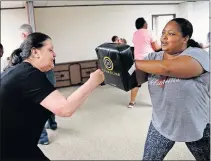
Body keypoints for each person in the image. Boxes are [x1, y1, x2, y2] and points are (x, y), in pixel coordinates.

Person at [0, 32, 104, 160]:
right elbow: (65, 109)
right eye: (50, 49)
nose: (54, 54)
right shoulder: (28, 74)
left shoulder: (19, 70)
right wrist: (93, 82)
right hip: (11, 148)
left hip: (17, 143)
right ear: (35, 52)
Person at [134, 18, 209, 160]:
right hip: (161, 124)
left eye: (171, 34)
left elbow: (166, 68)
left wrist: (133, 63)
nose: (164, 37)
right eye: (163, 33)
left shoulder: (198, 55)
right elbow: (135, 80)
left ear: (185, 38)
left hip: (196, 123)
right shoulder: (153, 57)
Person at [19, 24, 57, 145]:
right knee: (51, 100)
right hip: (48, 75)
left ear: (23, 35)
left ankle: (42, 138)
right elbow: (52, 59)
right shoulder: (42, 41)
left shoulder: (24, 47)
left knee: (36, 107)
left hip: (35, 78)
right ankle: (52, 123)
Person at [128, 17, 161, 108]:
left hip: (138, 61)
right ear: (144, 24)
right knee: (153, 81)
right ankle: (155, 102)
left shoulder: (135, 34)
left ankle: (132, 102)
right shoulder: (149, 32)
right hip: (150, 60)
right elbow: (156, 47)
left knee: (137, 83)